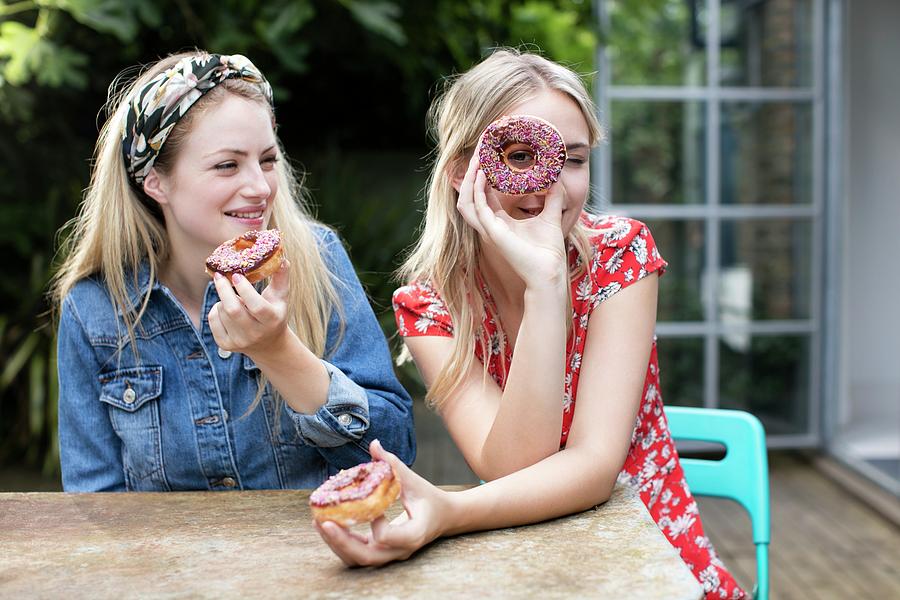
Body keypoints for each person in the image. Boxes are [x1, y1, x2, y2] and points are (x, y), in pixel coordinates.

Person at [315, 49, 745, 599]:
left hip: (652, 559)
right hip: (524, 560)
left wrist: (449, 512)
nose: (553, 185)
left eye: (574, 159)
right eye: (521, 156)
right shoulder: (430, 305)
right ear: (458, 173)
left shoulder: (620, 258)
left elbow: (593, 466)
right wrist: (545, 288)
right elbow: (516, 466)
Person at [51, 51, 415, 492]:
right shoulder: (94, 310)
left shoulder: (317, 259)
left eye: (266, 160)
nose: (260, 188)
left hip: (313, 554)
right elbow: (94, 504)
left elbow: (395, 455)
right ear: (156, 183)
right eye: (227, 165)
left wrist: (278, 352)